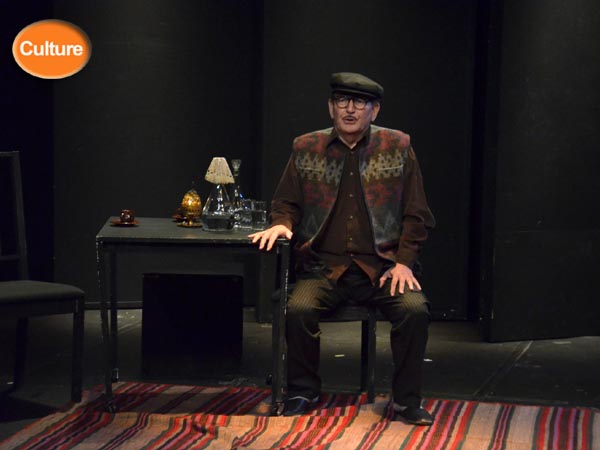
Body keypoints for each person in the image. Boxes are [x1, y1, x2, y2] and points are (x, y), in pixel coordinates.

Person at [249, 72, 436, 425]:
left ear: (374, 110)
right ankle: (303, 390)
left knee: (414, 310)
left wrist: (404, 262)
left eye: (359, 102)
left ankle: (406, 400)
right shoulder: (306, 147)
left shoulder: (397, 146)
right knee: (298, 309)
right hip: (324, 268)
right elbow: (286, 202)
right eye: (342, 101)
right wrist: (282, 223)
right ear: (330, 107)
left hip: (382, 267)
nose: (350, 109)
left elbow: (417, 213)